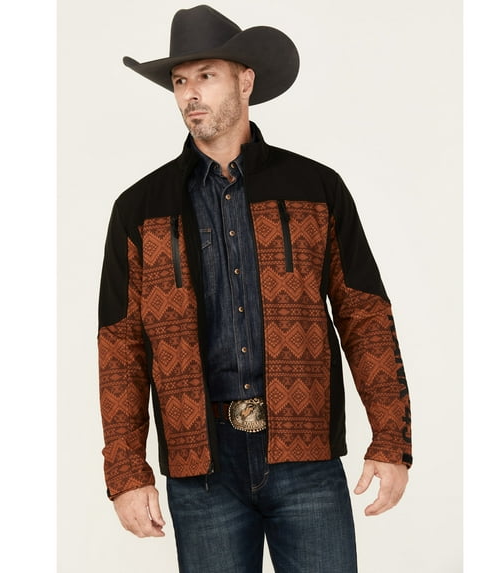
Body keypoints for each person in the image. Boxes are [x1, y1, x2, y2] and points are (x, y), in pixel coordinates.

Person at [98, 5, 412, 572]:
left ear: (245, 81)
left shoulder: (316, 188)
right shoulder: (139, 209)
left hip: (306, 457)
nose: (191, 94)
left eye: (206, 76)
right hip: (202, 469)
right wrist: (125, 471)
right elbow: (121, 346)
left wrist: (391, 439)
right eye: (180, 81)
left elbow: (363, 314)